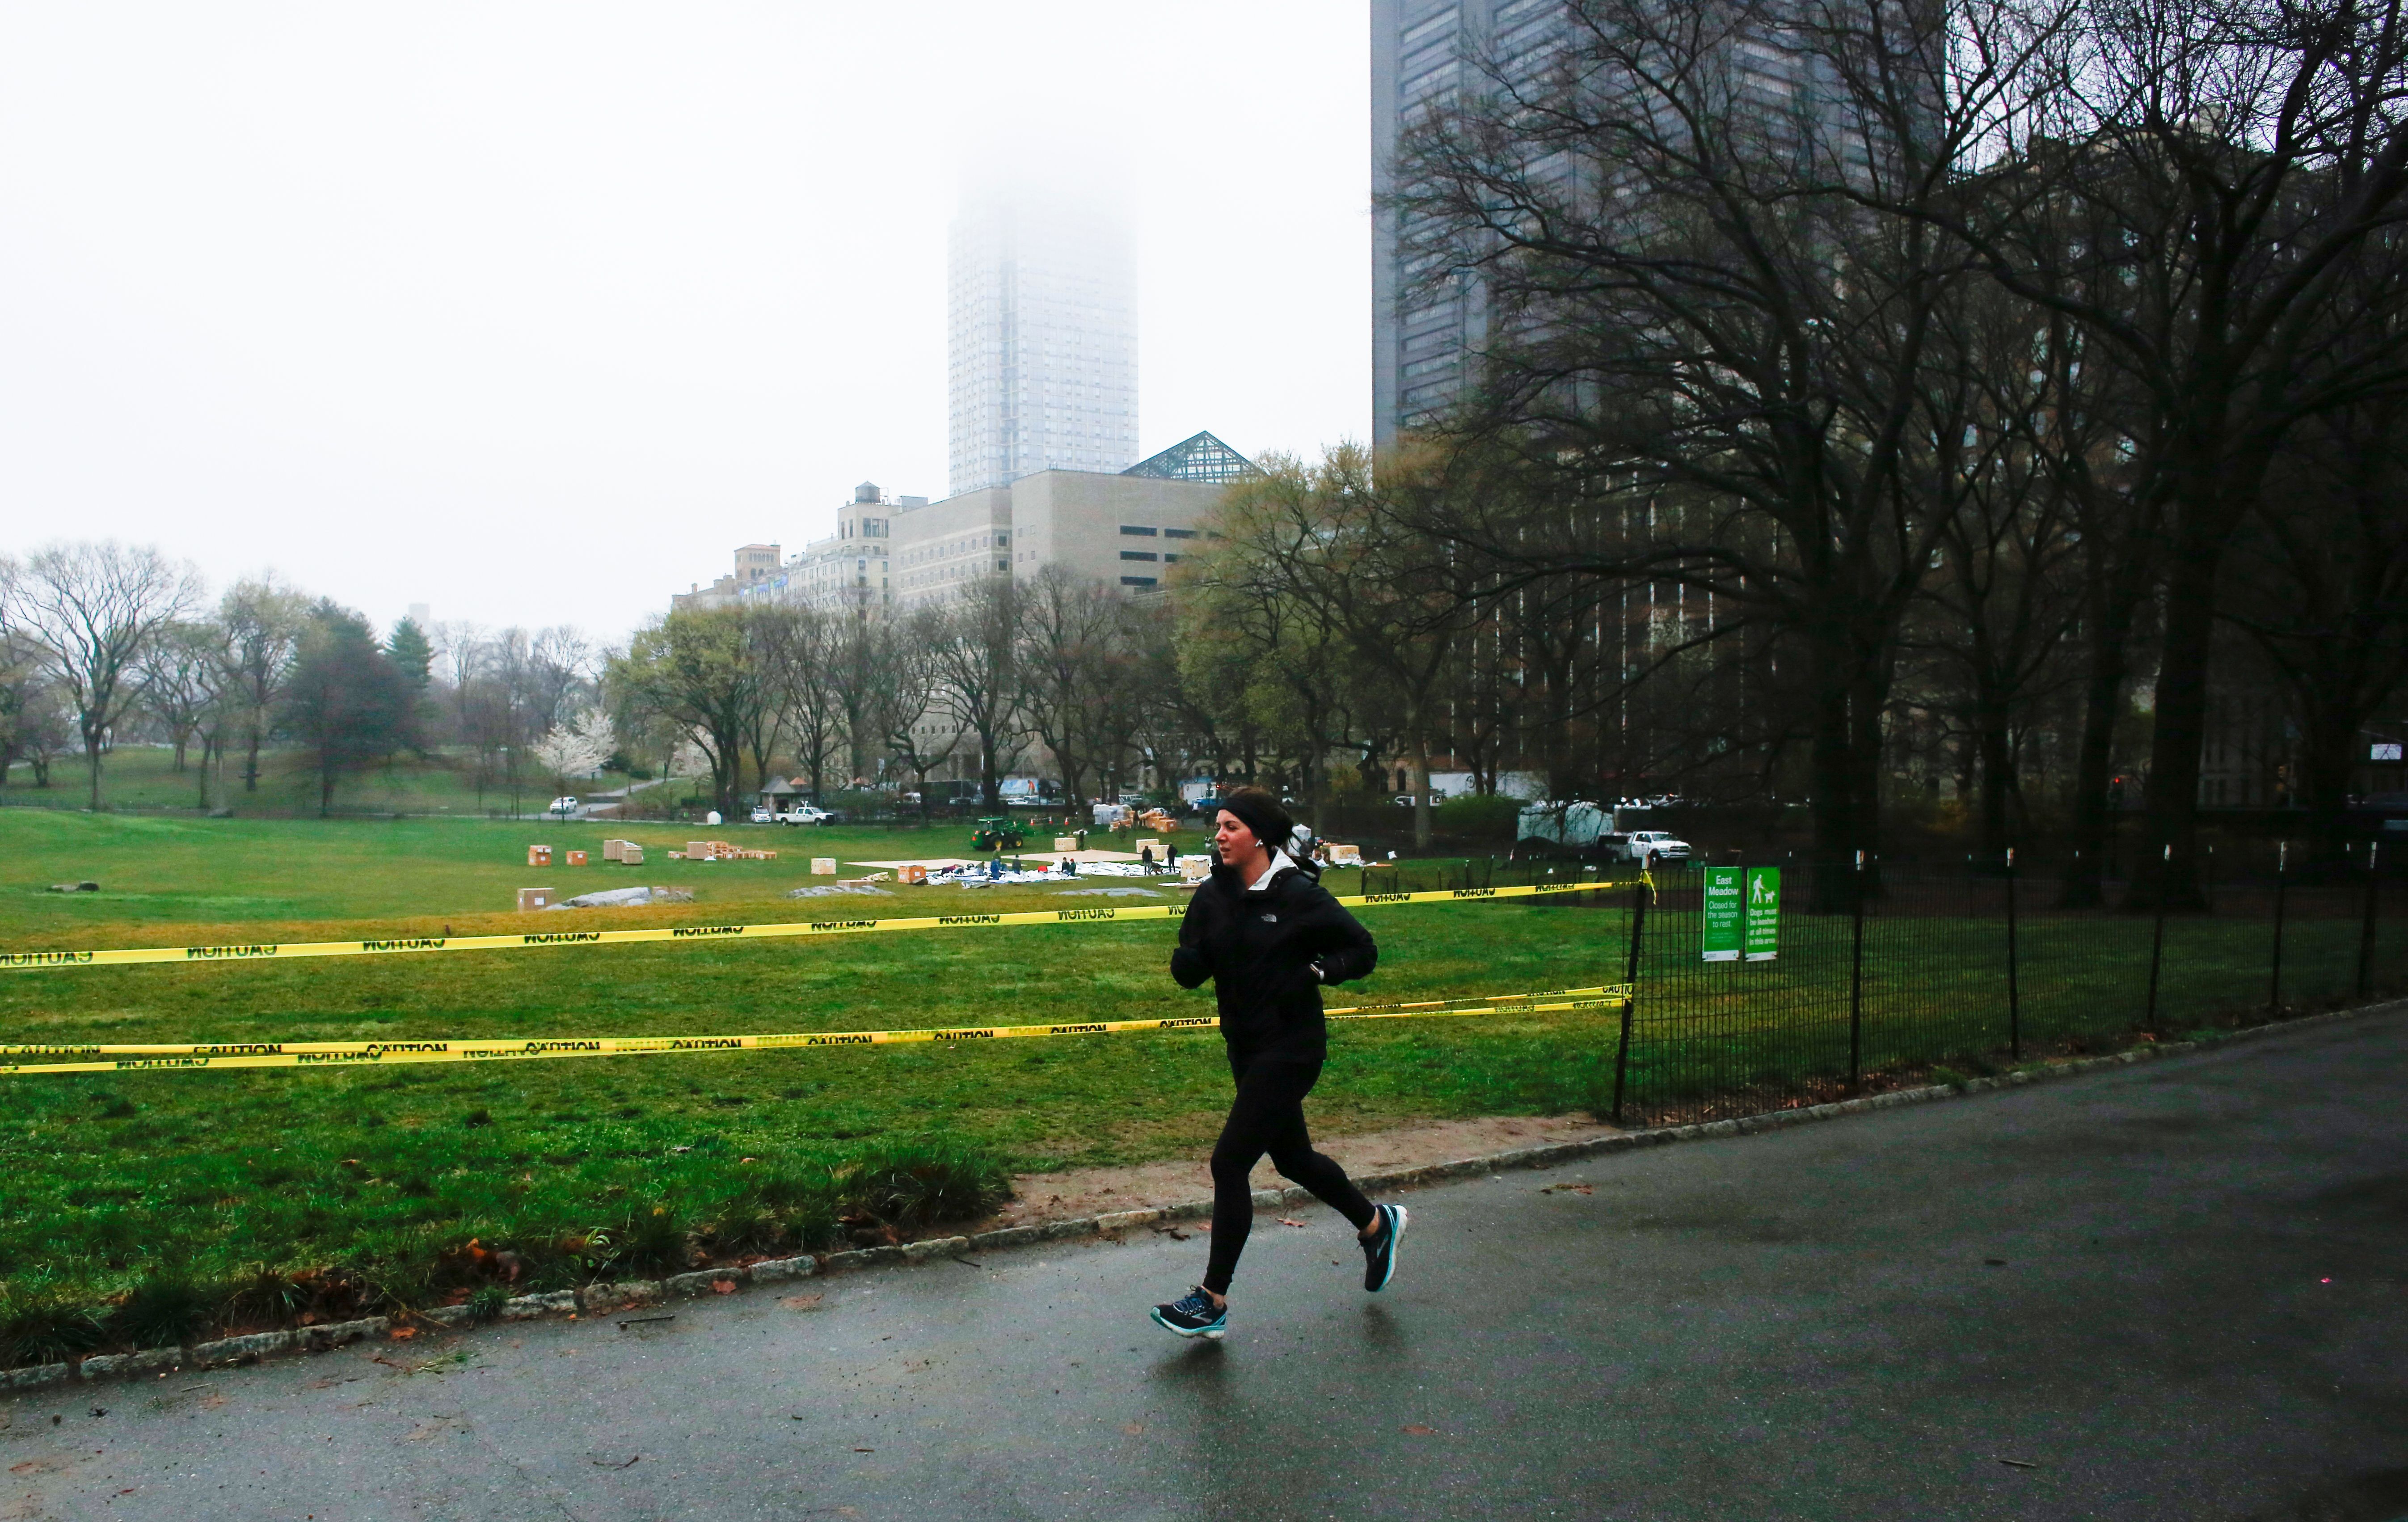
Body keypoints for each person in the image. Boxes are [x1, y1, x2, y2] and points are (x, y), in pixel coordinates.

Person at [1149, 787, 1404, 1340]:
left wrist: (1319, 972)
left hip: (1292, 1047)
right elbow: (1189, 969)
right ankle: (1375, 1223)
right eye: (1217, 826)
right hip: (1244, 1045)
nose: (1218, 835)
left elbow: (1362, 950)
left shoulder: (1297, 895)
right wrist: (1187, 960)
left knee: (1229, 1162)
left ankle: (1211, 1299)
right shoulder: (1211, 894)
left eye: (1230, 826)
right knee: (1292, 1160)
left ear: (1260, 836)